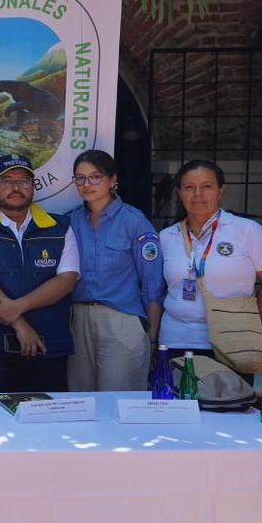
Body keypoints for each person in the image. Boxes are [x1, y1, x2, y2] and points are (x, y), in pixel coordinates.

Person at [0, 155, 80, 393]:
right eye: (7, 180)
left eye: (24, 181)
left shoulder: (60, 227)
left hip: (49, 348)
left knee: (47, 415)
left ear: (34, 187)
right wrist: (21, 326)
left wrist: (17, 307)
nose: (16, 187)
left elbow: (66, 281)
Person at [158, 160, 262, 360]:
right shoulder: (166, 237)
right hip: (176, 340)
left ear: (220, 191)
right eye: (189, 187)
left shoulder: (247, 231)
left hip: (232, 343)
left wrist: (244, 320)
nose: (198, 194)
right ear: (179, 193)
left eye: (207, 186)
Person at [66, 149, 164, 391]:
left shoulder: (134, 221)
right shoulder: (70, 221)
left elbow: (152, 283)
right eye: (80, 178)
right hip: (78, 319)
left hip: (121, 319)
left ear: (112, 180)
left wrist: (151, 334)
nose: (87, 184)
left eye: (95, 177)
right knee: (82, 398)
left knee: (119, 399)